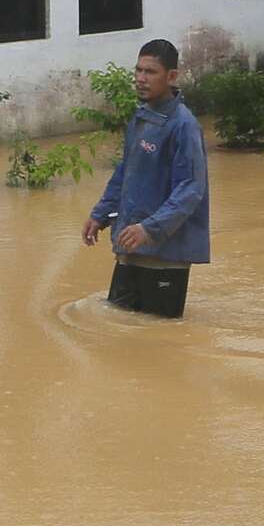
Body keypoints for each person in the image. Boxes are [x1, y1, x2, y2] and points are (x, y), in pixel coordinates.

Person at [82, 38, 209, 319]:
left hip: (167, 253)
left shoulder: (184, 126)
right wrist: (100, 214)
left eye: (150, 72)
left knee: (161, 336)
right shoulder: (141, 116)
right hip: (131, 246)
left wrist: (149, 229)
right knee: (119, 324)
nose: (140, 79)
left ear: (171, 76)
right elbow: (126, 170)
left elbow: (190, 189)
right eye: (138, 71)